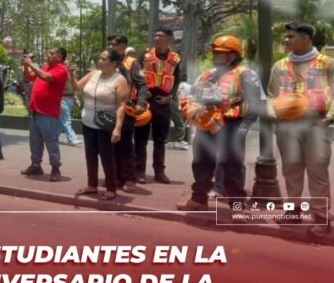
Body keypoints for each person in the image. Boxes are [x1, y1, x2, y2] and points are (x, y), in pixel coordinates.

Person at [176, 35, 260, 212]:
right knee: (201, 162)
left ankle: (238, 206)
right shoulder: (209, 73)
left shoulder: (245, 74)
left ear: (232, 55)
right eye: (214, 52)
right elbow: (196, 94)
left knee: (233, 166)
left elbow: (255, 104)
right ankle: (198, 199)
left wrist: (244, 128)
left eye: (220, 53)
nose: (215, 55)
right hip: (207, 123)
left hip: (232, 124)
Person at [267, 22, 333, 237]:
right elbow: (271, 95)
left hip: (316, 124)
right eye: (285, 37)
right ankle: (293, 210)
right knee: (291, 169)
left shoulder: (327, 64)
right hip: (287, 126)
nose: (286, 40)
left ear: (306, 38)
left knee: (317, 172)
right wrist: (272, 112)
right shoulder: (279, 66)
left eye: (291, 37)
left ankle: (321, 218)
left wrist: (329, 119)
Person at [76, 48, 129, 201]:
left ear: (113, 63)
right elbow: (77, 87)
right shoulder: (93, 74)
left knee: (106, 157)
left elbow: (121, 105)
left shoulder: (119, 80)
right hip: (88, 122)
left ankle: (111, 188)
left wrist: (118, 128)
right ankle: (92, 185)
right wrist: (69, 74)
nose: (100, 61)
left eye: (103, 59)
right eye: (99, 58)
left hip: (105, 125)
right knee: (90, 155)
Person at [135, 27, 181, 184]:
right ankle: (139, 171)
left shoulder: (175, 58)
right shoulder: (145, 54)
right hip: (145, 101)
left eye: (160, 36)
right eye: (154, 35)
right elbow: (136, 75)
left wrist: (170, 97)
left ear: (168, 39)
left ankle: (159, 172)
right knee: (140, 139)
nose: (156, 38)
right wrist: (142, 92)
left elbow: (178, 80)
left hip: (163, 102)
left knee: (160, 140)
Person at [20, 47, 69, 181]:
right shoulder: (46, 67)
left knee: (51, 141)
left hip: (48, 112)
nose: (48, 55)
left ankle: (55, 167)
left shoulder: (61, 69)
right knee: (34, 141)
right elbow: (28, 78)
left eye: (51, 53)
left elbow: (45, 77)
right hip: (37, 110)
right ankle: (36, 165)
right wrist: (25, 66)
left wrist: (30, 64)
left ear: (59, 57)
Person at [108, 35, 149, 192]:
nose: (111, 47)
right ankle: (117, 177)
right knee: (111, 144)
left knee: (125, 144)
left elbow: (142, 84)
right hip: (109, 108)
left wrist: (141, 103)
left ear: (123, 46)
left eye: (114, 45)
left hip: (126, 107)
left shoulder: (132, 63)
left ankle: (130, 178)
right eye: (110, 45)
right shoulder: (107, 62)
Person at [59, 61, 82, 147]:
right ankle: (72, 138)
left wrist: (75, 98)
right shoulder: (62, 74)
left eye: (68, 63)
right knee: (66, 119)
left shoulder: (71, 74)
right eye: (65, 64)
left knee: (61, 121)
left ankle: (52, 136)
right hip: (63, 98)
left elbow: (75, 86)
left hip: (70, 98)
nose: (68, 65)